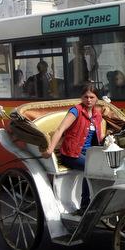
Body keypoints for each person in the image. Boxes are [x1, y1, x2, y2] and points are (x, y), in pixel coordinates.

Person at [42, 84, 103, 215]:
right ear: (81, 97)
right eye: (85, 97)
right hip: (71, 154)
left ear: (97, 99)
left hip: (89, 153)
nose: (89, 100)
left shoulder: (98, 115)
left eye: (92, 97)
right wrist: (50, 149)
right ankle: (85, 206)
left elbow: (100, 136)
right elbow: (60, 130)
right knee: (91, 167)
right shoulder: (76, 111)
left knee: (107, 167)